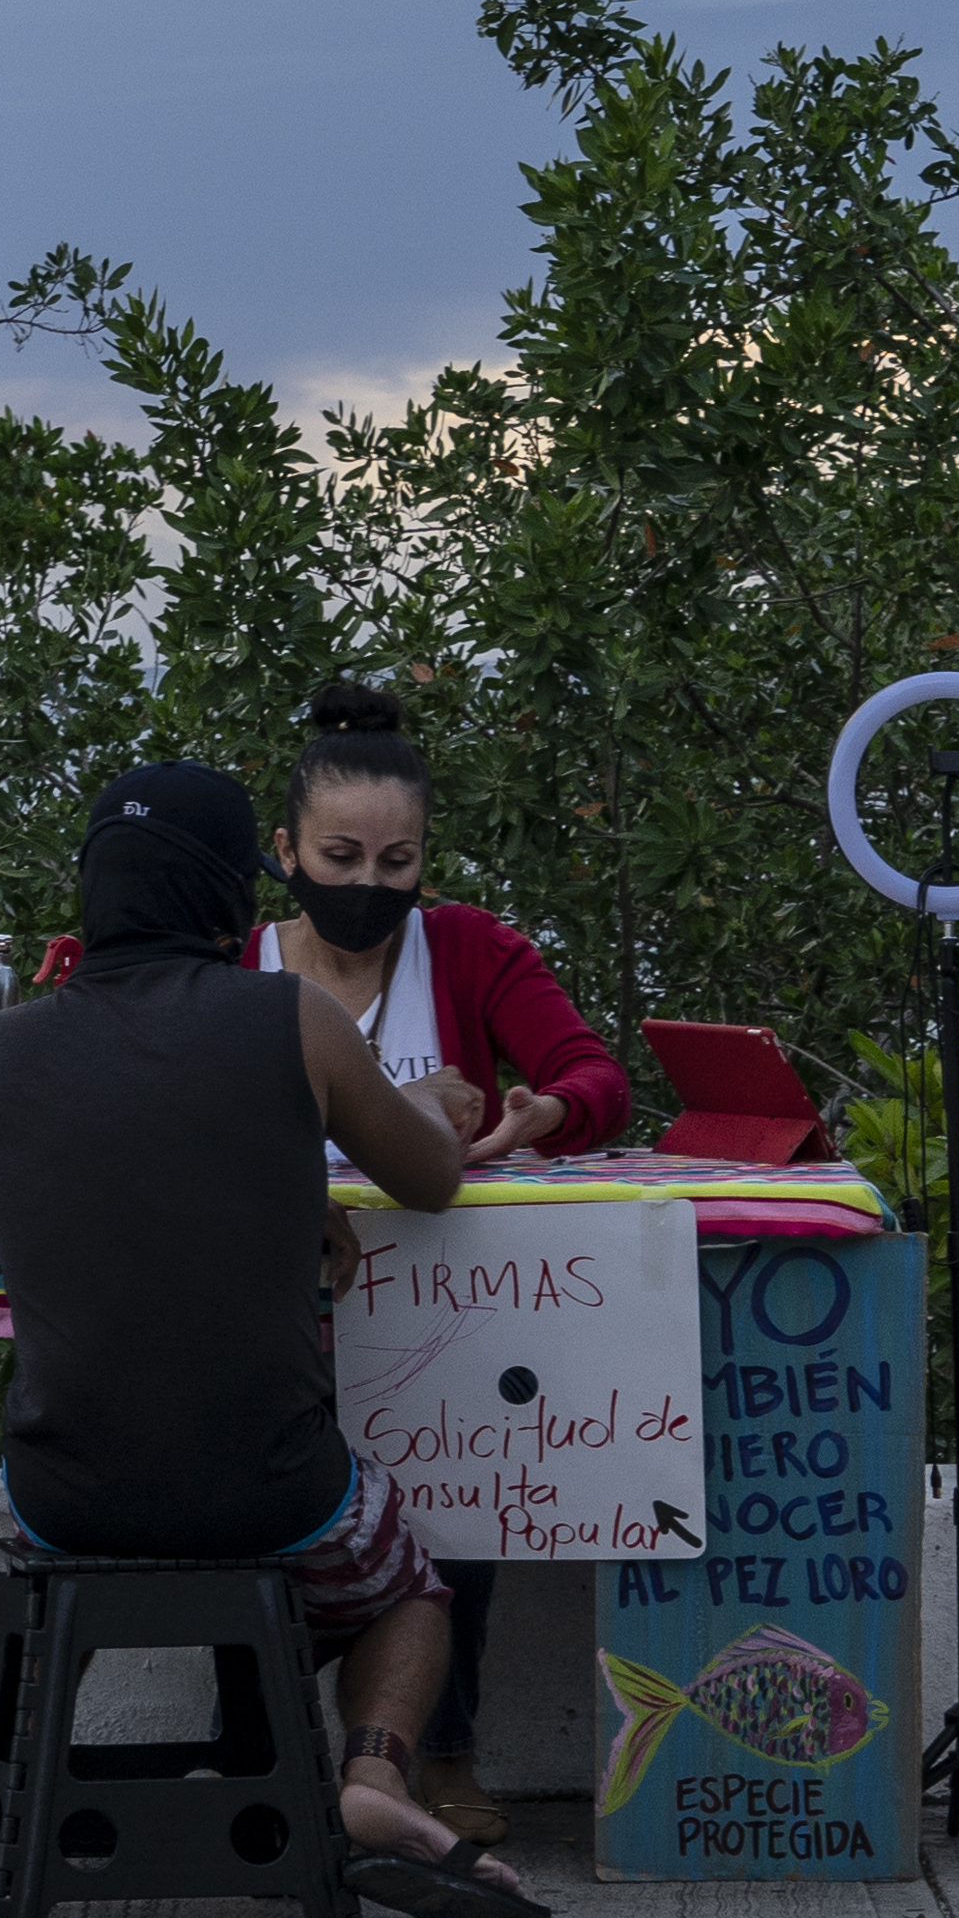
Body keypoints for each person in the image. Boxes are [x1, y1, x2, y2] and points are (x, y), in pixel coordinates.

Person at [0, 758, 550, 1918]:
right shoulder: (292, 1017)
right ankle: (376, 1775)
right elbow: (430, 1183)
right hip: (268, 1488)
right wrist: (428, 1101)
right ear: (236, 895)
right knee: (413, 1578)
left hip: (61, 1495)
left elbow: (120, 1182)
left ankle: (23, 1809)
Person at [253, 678, 627, 1853]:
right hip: (274, 1303)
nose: (367, 885)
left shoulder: (468, 947)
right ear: (285, 851)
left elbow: (596, 1078)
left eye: (395, 860)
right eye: (341, 855)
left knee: (465, 1486)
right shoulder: (232, 953)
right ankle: (348, 1751)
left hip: (441, 1307)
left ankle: (439, 1748)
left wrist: (537, 1115)